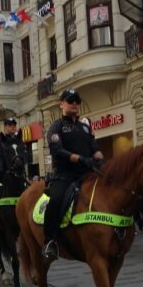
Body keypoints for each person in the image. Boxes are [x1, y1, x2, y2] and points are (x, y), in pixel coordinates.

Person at [43, 88, 104, 260]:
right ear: (61, 104)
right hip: (65, 175)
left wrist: (103, 162)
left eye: (77, 101)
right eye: (70, 101)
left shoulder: (85, 127)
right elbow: (57, 150)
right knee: (55, 200)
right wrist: (80, 159)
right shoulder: (57, 126)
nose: (75, 104)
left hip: (88, 173)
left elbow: (95, 149)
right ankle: (50, 241)